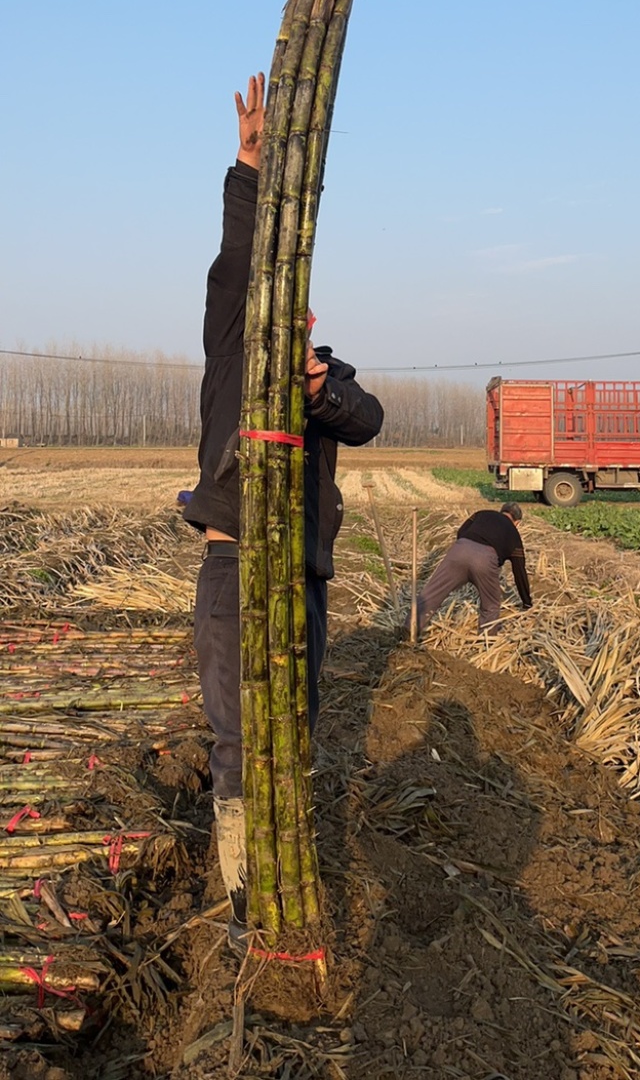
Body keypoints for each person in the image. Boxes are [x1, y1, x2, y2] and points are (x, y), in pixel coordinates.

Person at [185, 71, 384, 951]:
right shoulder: (233, 353)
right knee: (239, 742)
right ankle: (242, 896)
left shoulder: (319, 384)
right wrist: (249, 173)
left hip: (298, 575)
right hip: (234, 570)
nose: (283, 323)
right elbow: (234, 269)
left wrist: (319, 389)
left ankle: (286, 873)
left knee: (291, 732)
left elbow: (370, 417)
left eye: (297, 321)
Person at [411, 502, 532, 639]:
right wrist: (527, 602)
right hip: (485, 560)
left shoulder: (481, 513)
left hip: (459, 550)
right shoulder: (514, 534)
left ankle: (409, 628)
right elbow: (519, 572)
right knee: (491, 605)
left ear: (501, 511)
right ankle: (486, 641)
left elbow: (461, 531)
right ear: (517, 523)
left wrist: (464, 549)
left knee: (432, 592)